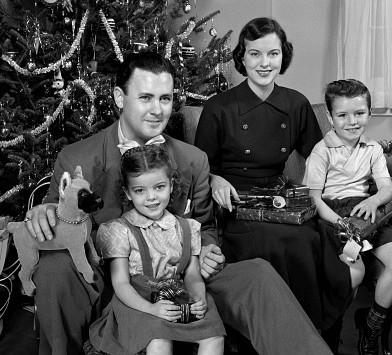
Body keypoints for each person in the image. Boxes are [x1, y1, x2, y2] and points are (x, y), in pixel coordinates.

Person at [24, 51, 333, 355]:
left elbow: (205, 225)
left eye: (165, 98)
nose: (158, 110)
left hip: (181, 276)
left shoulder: (192, 160)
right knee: (54, 268)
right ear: (120, 98)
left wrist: (209, 248)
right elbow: (59, 215)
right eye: (145, 97)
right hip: (114, 281)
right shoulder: (76, 158)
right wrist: (45, 211)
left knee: (258, 274)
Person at [194, 17, 352, 333]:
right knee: (279, 242)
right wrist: (214, 178)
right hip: (236, 203)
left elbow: (320, 158)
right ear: (242, 57)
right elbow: (200, 168)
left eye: (273, 54)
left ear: (284, 55)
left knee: (306, 238)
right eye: (255, 54)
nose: (265, 63)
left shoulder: (295, 103)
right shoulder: (219, 107)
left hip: (281, 198)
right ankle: (271, 333)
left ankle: (308, 333)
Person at [304, 79, 392, 355]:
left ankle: (371, 324)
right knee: (353, 273)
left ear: (369, 113)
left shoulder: (373, 149)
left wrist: (374, 200)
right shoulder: (321, 151)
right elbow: (314, 199)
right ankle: (331, 331)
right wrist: (340, 224)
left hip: (368, 213)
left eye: (359, 113)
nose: (352, 122)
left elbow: (386, 188)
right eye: (342, 115)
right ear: (330, 117)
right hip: (334, 217)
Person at [88, 145, 225, 355]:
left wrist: (198, 297)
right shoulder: (119, 230)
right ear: (128, 193)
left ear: (171, 185)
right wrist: (152, 309)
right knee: (159, 338)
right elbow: (121, 284)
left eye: (159, 187)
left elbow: (192, 274)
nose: (151, 197)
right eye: (140, 190)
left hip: (176, 294)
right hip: (137, 302)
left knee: (213, 334)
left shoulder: (186, 228)